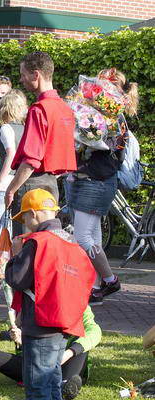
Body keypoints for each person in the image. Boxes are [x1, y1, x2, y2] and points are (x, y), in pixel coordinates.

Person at [5, 188, 95, 400]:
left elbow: (17, 278)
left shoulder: (37, 242)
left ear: (34, 214)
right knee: (51, 383)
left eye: (24, 217)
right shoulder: (71, 242)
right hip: (62, 322)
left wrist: (15, 254)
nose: (24, 222)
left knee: (38, 385)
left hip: (40, 322)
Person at [68, 67, 138, 306]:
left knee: (82, 237)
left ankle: (109, 279)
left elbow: (109, 154)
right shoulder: (105, 116)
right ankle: (95, 287)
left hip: (95, 182)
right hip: (92, 180)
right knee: (93, 236)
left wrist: (85, 142)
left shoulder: (113, 119)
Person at [0, 305, 102, 400]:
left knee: (81, 349)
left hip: (65, 365)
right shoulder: (36, 305)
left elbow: (94, 332)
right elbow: (31, 343)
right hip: (36, 364)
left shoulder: (80, 305)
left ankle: (64, 388)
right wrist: (21, 339)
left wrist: (69, 353)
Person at [4, 52, 76, 220]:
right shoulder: (65, 108)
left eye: (23, 75)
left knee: (27, 235)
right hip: (52, 185)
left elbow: (31, 160)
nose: (21, 80)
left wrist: (11, 190)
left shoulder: (39, 109)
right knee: (46, 233)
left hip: (32, 185)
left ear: (36, 75)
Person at [0, 90, 27, 265]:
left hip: (6, 180)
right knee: (7, 224)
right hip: (19, 180)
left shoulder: (6, 128)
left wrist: (0, 180)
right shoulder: (25, 128)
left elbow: (10, 154)